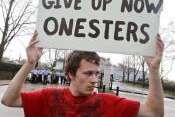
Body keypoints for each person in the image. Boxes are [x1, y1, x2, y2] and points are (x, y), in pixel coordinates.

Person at [1, 30, 164, 117]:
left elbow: (154, 112)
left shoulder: (108, 102)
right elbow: (8, 100)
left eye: (96, 73)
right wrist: (30, 63)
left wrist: (154, 70)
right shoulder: (49, 97)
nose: (94, 80)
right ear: (70, 73)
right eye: (87, 73)